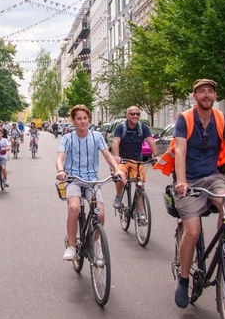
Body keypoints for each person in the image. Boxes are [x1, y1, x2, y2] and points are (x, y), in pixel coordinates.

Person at [159, 79, 225, 308]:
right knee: (192, 232)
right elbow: (181, 151)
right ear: (194, 96)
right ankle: (184, 280)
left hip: (212, 176)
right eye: (202, 91)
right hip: (189, 180)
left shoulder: (222, 119)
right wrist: (182, 181)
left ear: (215, 95)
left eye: (210, 91)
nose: (207, 95)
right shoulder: (185, 119)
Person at [56, 105, 126, 260]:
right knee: (74, 208)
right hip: (73, 179)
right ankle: (72, 246)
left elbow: (107, 155)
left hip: (92, 181)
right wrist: (61, 170)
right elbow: (60, 157)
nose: (82, 121)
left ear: (89, 119)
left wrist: (117, 170)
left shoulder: (97, 136)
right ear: (73, 120)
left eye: (85, 118)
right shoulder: (67, 138)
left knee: (100, 214)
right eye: (79, 118)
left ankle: (94, 242)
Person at [111, 106, 159, 212]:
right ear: (127, 115)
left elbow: (151, 141)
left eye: (137, 114)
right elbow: (116, 142)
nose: (135, 116)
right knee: (120, 176)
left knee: (140, 185)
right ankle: (118, 196)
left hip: (137, 160)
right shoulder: (121, 127)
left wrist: (156, 156)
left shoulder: (143, 128)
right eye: (132, 114)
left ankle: (141, 212)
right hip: (123, 160)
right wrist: (117, 156)